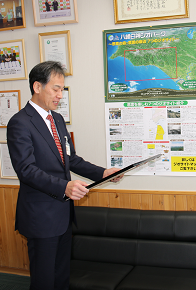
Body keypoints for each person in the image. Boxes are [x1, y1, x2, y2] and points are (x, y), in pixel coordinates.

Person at [7, 61, 121, 290]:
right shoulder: (20, 123)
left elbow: (71, 160)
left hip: (62, 215)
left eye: (62, 89)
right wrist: (64, 187)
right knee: (44, 280)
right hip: (40, 217)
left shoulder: (57, 120)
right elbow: (26, 169)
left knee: (61, 276)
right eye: (56, 88)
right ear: (37, 87)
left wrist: (103, 173)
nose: (60, 95)